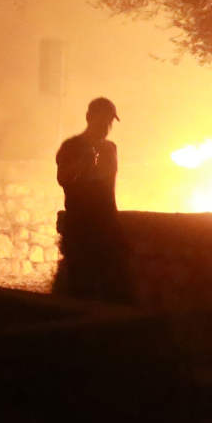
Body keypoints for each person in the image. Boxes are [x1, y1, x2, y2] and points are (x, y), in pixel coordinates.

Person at [54, 97, 132, 302]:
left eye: (110, 122)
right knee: (81, 288)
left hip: (107, 224)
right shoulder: (71, 147)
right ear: (89, 118)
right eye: (102, 120)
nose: (107, 127)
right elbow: (63, 178)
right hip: (81, 224)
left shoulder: (110, 149)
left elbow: (106, 182)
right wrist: (83, 162)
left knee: (114, 289)